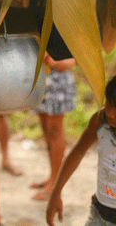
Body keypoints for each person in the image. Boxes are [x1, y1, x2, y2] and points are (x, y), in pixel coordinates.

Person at [46, 76, 116, 226]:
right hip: (100, 214)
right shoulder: (99, 121)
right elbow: (78, 152)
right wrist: (56, 191)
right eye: (109, 103)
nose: (110, 113)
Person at [31, 52, 76, 201]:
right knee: (46, 128)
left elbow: (71, 59)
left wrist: (62, 60)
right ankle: (52, 176)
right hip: (42, 78)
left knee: (54, 130)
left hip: (58, 81)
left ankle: (56, 182)